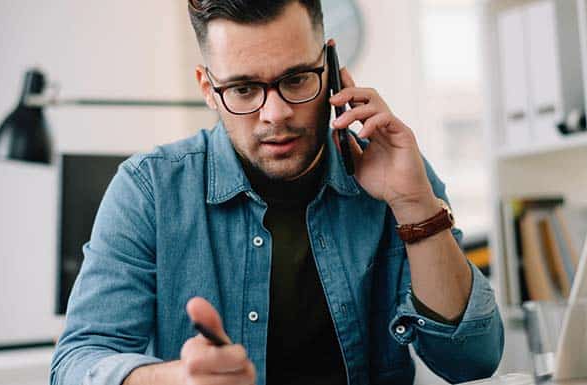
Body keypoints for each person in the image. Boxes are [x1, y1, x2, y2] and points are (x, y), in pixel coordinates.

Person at [50, 1, 504, 384]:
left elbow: (471, 361)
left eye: (296, 79)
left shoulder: (398, 172)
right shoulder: (148, 191)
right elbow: (76, 362)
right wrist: (171, 379)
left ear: (329, 66)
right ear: (209, 88)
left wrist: (414, 206)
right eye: (245, 89)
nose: (276, 113)